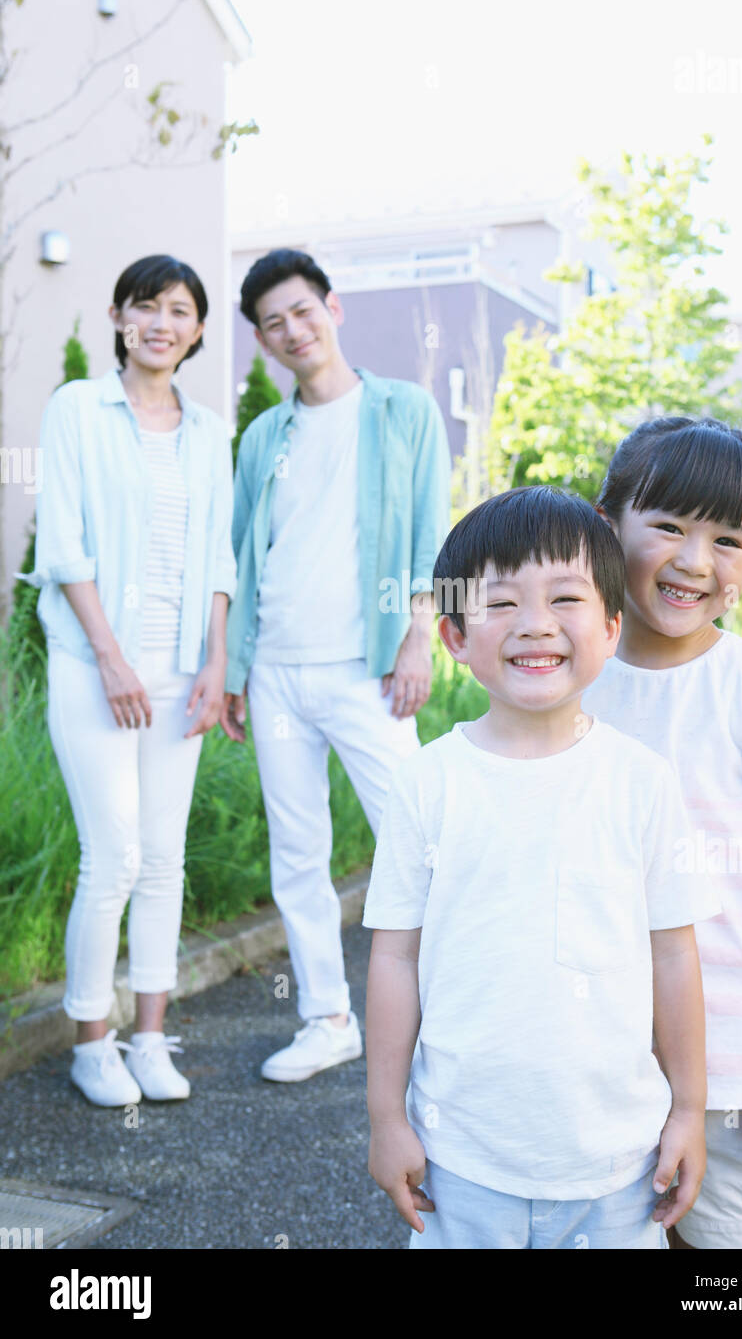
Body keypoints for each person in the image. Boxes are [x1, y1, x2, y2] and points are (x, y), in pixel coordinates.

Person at [363, 486, 721, 1249]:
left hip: (620, 1167)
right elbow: (394, 957)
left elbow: (673, 953)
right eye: (500, 604)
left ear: (612, 626)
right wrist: (386, 1119)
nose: (535, 624)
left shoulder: (641, 781)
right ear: (455, 636)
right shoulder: (427, 782)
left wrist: (688, 1110)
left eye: (566, 597)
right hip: (462, 1162)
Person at [582, 415, 742, 1249]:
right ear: (607, 520)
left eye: (730, 538)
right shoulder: (563, 684)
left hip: (731, 1065)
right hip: (596, 1063)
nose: (696, 561)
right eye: (668, 527)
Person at [221, 248, 451, 1083]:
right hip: (277, 667)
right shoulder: (262, 436)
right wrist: (237, 668)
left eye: (302, 310)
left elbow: (435, 529)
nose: (292, 330)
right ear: (261, 339)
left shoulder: (402, 410)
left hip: (369, 668)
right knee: (297, 852)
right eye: (273, 322)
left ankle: (456, 1013)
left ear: (333, 309)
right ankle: (327, 1018)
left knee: (418, 842)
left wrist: (420, 633)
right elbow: (245, 554)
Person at [20, 255, 236, 1107]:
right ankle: (91, 1040)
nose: (161, 323)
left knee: (164, 860)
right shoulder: (77, 407)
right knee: (112, 856)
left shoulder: (211, 431)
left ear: (197, 331)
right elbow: (63, 543)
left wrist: (217, 663)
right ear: (118, 317)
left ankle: (150, 1034)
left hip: (181, 665)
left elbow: (219, 551)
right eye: (145, 307)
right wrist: (110, 658)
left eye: (178, 310)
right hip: (93, 662)